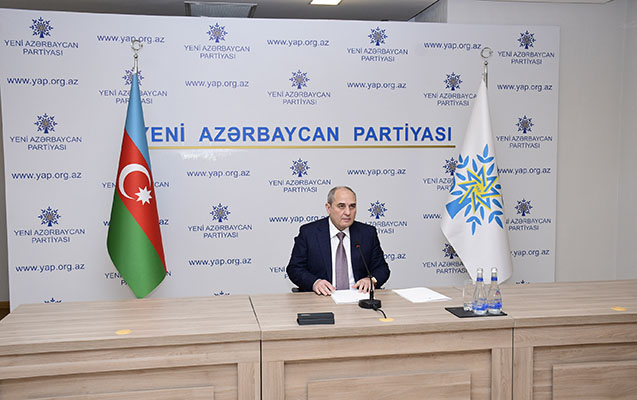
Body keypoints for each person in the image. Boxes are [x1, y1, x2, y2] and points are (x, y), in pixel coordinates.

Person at [286, 186, 390, 295]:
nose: (348, 212)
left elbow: (382, 269)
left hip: (359, 296)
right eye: (341, 206)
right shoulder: (309, 233)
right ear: (328, 208)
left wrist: (371, 280)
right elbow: (295, 268)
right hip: (322, 297)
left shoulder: (367, 233)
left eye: (352, 206)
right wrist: (314, 282)